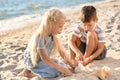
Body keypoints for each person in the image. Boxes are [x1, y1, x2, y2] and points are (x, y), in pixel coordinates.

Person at [18, 8, 72, 78]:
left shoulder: (53, 36)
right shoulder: (40, 37)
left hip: (42, 62)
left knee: (61, 65)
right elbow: (45, 58)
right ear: (51, 24)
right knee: (54, 72)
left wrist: (72, 65)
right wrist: (61, 69)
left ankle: (28, 71)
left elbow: (62, 52)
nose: (61, 29)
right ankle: (28, 73)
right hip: (35, 63)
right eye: (60, 27)